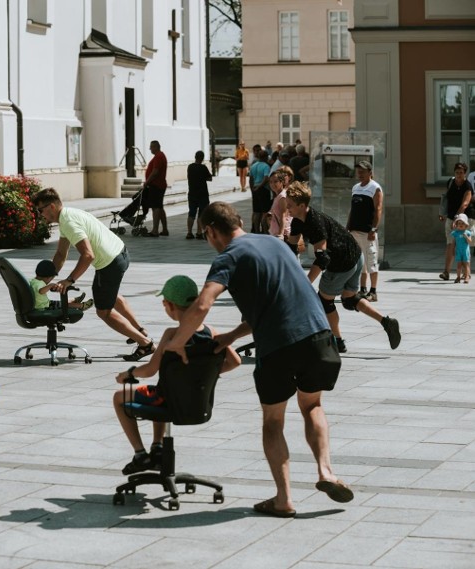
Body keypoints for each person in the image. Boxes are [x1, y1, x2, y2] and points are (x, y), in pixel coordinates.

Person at [162, 201, 353, 518]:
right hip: (319, 336)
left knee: (273, 421)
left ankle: (284, 499)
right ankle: (325, 471)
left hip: (278, 347)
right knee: (313, 406)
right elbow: (283, 300)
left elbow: (202, 305)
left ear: (210, 231)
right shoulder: (274, 245)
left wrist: (177, 344)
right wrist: (231, 337)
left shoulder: (228, 257)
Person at [112, 275, 240, 474]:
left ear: (169, 305)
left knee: (120, 397)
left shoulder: (171, 335)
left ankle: (140, 454)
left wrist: (127, 374)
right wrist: (208, 372)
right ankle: (158, 447)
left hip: (167, 400)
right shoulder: (212, 333)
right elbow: (235, 361)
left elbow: (150, 370)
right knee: (162, 388)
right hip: (198, 404)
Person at [33, 188, 153, 361]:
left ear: (51, 206)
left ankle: (145, 343)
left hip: (110, 263)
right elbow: (60, 254)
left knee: (104, 312)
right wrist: (45, 279)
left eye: (40, 210)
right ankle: (140, 330)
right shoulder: (67, 216)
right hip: (120, 252)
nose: (40, 214)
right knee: (112, 296)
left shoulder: (68, 222)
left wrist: (69, 280)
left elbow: (88, 255)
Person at [285, 182, 401, 354]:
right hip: (355, 255)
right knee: (348, 299)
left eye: (290, 206)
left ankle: (337, 342)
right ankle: (386, 322)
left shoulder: (315, 222)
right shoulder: (297, 221)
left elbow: (322, 259)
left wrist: (305, 283)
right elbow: (290, 248)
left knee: (324, 302)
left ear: (302, 206)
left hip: (342, 263)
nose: (287, 208)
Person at [346, 160, 383, 301]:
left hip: (368, 232)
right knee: (360, 262)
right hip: (354, 231)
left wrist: (373, 229)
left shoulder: (375, 188)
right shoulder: (355, 188)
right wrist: (348, 226)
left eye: (362, 171)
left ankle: (373, 292)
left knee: (371, 261)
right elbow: (352, 209)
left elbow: (378, 209)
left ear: (370, 172)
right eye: (358, 171)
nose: (360, 174)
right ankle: (363, 290)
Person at [439, 163, 473, 281]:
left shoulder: (467, 186)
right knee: (450, 244)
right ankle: (446, 272)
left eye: (461, 172)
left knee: (463, 246)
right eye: (457, 172)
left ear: (465, 173)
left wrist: (457, 219)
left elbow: (465, 204)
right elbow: (446, 198)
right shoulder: (451, 182)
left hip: (465, 219)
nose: (459, 175)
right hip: (450, 218)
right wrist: (443, 213)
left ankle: (465, 272)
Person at [142, 140, 169, 236]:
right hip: (160, 184)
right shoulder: (161, 156)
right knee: (160, 207)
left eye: (151, 147)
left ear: (156, 147)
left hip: (156, 185)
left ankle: (155, 230)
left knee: (155, 207)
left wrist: (147, 182)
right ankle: (165, 229)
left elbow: (155, 172)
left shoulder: (158, 157)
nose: (150, 149)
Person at [186, 150, 213, 239]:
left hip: (192, 193)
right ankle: (199, 232)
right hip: (202, 194)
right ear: (202, 158)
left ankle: (189, 233)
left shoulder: (190, 167)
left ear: (195, 157)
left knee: (191, 213)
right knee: (201, 214)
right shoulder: (203, 168)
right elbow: (210, 178)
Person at [249, 150, 271, 233]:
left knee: (256, 212)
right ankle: (265, 231)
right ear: (265, 157)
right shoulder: (266, 166)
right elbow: (266, 178)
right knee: (265, 212)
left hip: (255, 189)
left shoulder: (253, 166)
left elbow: (251, 179)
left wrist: (252, 189)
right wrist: (259, 186)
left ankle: (257, 231)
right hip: (263, 190)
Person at [451, 213, 472, 284]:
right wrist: (452, 250)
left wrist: (466, 237)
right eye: (459, 223)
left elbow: (469, 242)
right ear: (456, 225)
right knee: (458, 264)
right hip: (458, 251)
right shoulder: (455, 233)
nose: (461, 224)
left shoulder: (467, 233)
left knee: (466, 264)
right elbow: (453, 242)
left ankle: (467, 277)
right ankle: (458, 277)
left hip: (465, 251)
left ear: (466, 225)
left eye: (463, 223)